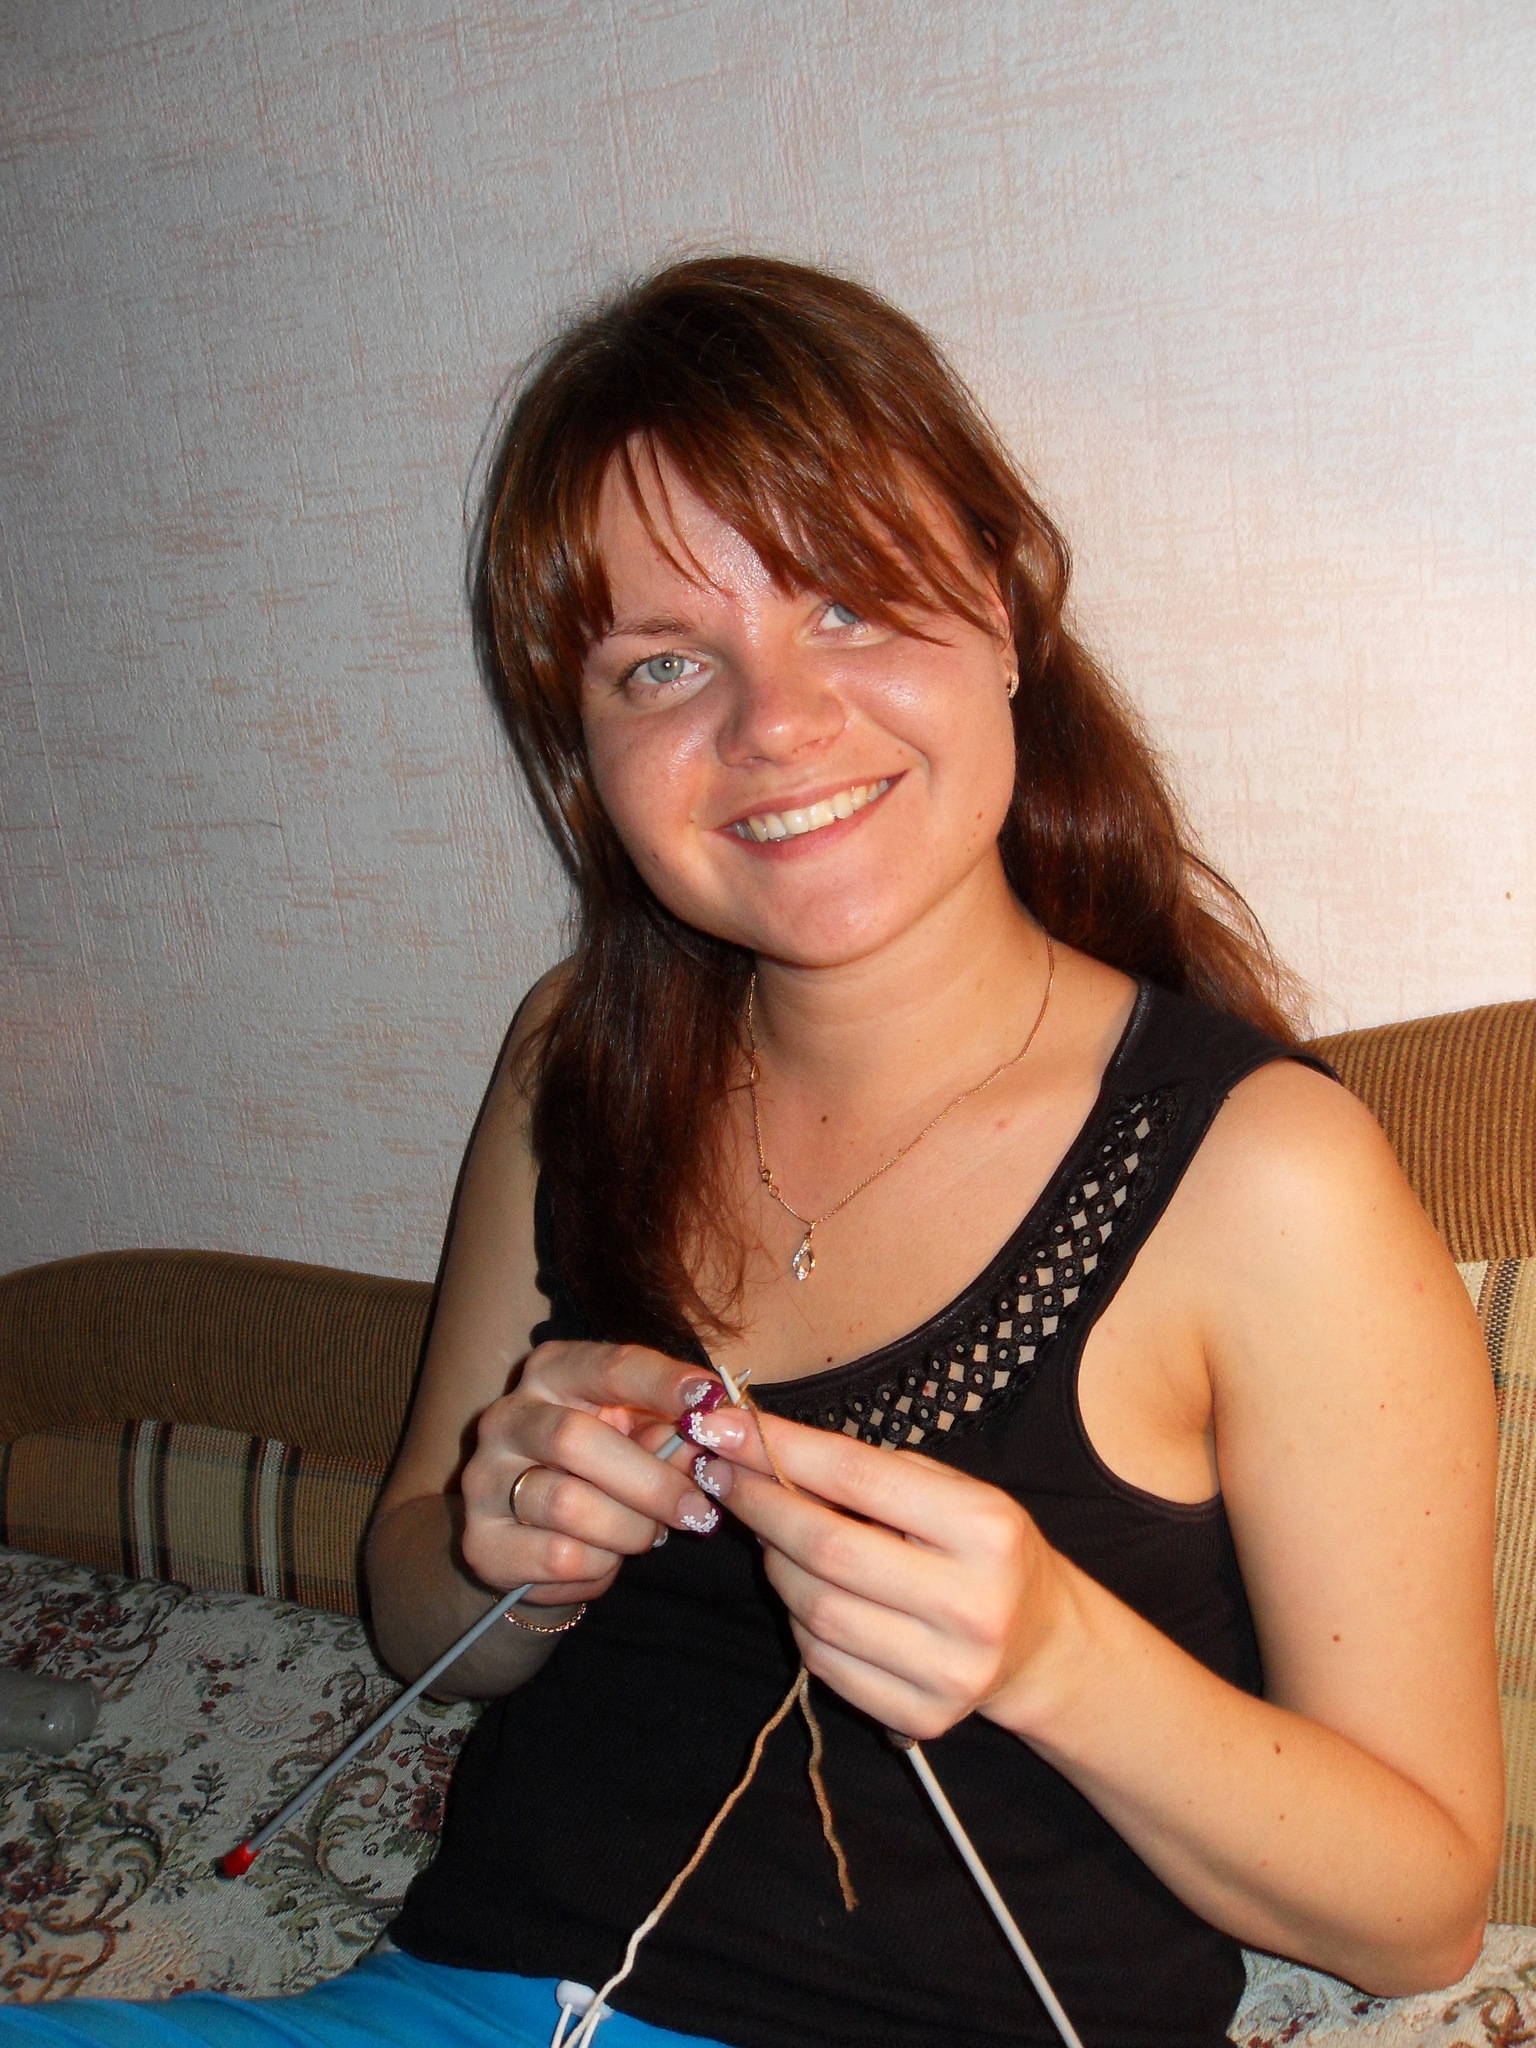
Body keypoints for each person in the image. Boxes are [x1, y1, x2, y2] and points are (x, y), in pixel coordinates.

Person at [3, 257, 1501, 2048]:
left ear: (1007, 613)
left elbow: (1421, 1916)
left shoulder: (1261, 1176)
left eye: (850, 605)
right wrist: (503, 1544)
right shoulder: (576, 1059)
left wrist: (1055, 1655)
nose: (774, 722)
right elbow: (421, 1624)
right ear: (585, 745)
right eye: (662, 662)